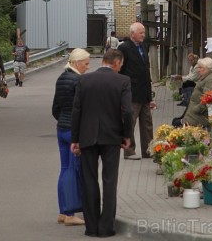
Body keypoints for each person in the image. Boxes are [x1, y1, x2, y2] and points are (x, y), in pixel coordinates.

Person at [70, 49, 132, 238]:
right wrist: (127, 135)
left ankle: (91, 227)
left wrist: (75, 139)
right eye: (120, 65)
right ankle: (106, 228)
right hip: (112, 138)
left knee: (89, 180)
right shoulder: (122, 81)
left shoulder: (84, 80)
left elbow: (76, 111)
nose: (120, 68)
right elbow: (127, 111)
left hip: (87, 137)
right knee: (109, 181)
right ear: (116, 63)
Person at [52, 48, 90, 226]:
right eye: (86, 63)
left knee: (64, 168)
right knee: (73, 170)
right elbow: (83, 109)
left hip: (61, 129)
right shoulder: (79, 81)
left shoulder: (61, 79)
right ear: (76, 63)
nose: (88, 67)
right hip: (74, 131)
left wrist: (63, 120)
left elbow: (55, 108)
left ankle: (62, 211)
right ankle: (70, 214)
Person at [118, 22, 156, 160]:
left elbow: (146, 71)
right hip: (131, 93)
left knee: (147, 123)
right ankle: (129, 151)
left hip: (145, 92)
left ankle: (148, 150)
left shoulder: (144, 47)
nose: (143, 35)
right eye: (141, 33)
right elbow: (120, 70)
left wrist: (151, 95)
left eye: (144, 33)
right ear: (132, 33)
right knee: (130, 122)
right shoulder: (124, 48)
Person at [182, 57, 212, 127]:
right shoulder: (208, 77)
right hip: (194, 117)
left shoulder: (211, 80)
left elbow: (208, 99)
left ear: (208, 68)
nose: (198, 70)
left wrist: (196, 109)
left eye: (201, 68)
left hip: (197, 118)